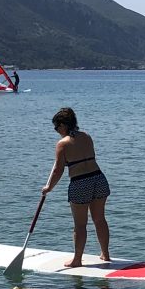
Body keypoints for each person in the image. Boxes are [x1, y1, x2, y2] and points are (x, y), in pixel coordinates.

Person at [42, 107, 111, 267]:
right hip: (98, 178)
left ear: (63, 125)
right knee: (99, 219)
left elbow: (58, 170)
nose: (56, 130)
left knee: (80, 224)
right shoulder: (86, 136)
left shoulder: (62, 144)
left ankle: (77, 260)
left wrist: (48, 188)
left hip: (80, 183)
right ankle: (105, 255)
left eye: (56, 127)